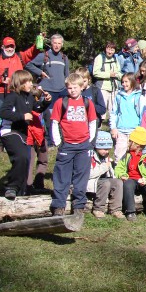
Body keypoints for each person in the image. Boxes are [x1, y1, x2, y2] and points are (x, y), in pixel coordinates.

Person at [49, 73, 98, 216]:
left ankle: (78, 205)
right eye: (69, 88)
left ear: (82, 87)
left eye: (75, 87)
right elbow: (54, 123)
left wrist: (90, 141)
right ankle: (59, 205)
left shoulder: (88, 103)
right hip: (67, 145)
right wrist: (58, 142)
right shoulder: (61, 102)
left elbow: (93, 122)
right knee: (62, 176)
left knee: (81, 177)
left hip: (84, 145)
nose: (72, 90)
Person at [0, 70, 51, 199]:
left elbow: (37, 108)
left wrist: (46, 102)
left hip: (23, 133)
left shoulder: (29, 97)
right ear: (20, 83)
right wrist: (21, 116)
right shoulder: (13, 96)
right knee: (21, 157)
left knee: (26, 160)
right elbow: (3, 113)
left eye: (30, 80)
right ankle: (11, 187)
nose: (31, 83)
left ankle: (22, 191)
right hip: (10, 132)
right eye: (27, 81)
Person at [0, 35, 39, 150]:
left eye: (12, 46)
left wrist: (39, 43)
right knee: (1, 117)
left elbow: (32, 52)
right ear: (2, 47)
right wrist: (0, 80)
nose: (10, 49)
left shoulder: (20, 57)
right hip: (1, 93)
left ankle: (17, 139)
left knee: (18, 116)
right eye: (8, 46)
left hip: (18, 93)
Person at [115, 126, 146, 221]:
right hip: (130, 179)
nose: (128, 143)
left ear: (137, 144)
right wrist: (122, 175)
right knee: (128, 185)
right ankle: (130, 212)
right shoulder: (127, 155)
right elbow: (119, 168)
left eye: (130, 141)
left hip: (145, 179)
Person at [25, 33, 70, 140]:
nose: (57, 45)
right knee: (49, 117)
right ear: (51, 43)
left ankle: (61, 138)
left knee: (62, 115)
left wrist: (68, 87)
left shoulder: (64, 58)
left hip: (62, 90)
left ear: (62, 44)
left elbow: (67, 75)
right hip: (48, 91)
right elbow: (28, 64)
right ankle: (49, 140)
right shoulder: (44, 56)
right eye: (55, 43)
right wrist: (40, 72)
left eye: (59, 43)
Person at [88, 131, 124, 219]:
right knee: (106, 183)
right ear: (97, 147)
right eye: (104, 149)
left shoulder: (105, 156)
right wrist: (105, 167)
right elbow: (89, 174)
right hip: (91, 181)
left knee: (118, 182)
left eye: (108, 149)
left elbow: (110, 173)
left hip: (103, 179)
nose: (107, 151)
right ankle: (98, 209)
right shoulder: (90, 156)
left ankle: (116, 209)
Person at [110, 72, 143, 162]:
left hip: (134, 130)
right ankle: (119, 174)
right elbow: (114, 113)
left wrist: (140, 130)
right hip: (121, 131)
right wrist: (113, 128)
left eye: (126, 82)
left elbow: (142, 114)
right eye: (123, 82)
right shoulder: (119, 96)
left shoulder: (138, 96)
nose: (124, 84)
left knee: (134, 156)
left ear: (132, 82)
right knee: (119, 155)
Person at [92, 41, 121, 120]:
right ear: (105, 49)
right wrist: (108, 75)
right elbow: (95, 73)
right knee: (102, 110)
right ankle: (99, 127)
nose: (110, 51)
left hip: (114, 88)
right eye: (108, 49)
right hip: (102, 88)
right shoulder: (100, 57)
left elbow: (118, 72)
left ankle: (112, 127)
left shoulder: (115, 58)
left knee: (113, 109)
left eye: (112, 50)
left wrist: (121, 77)